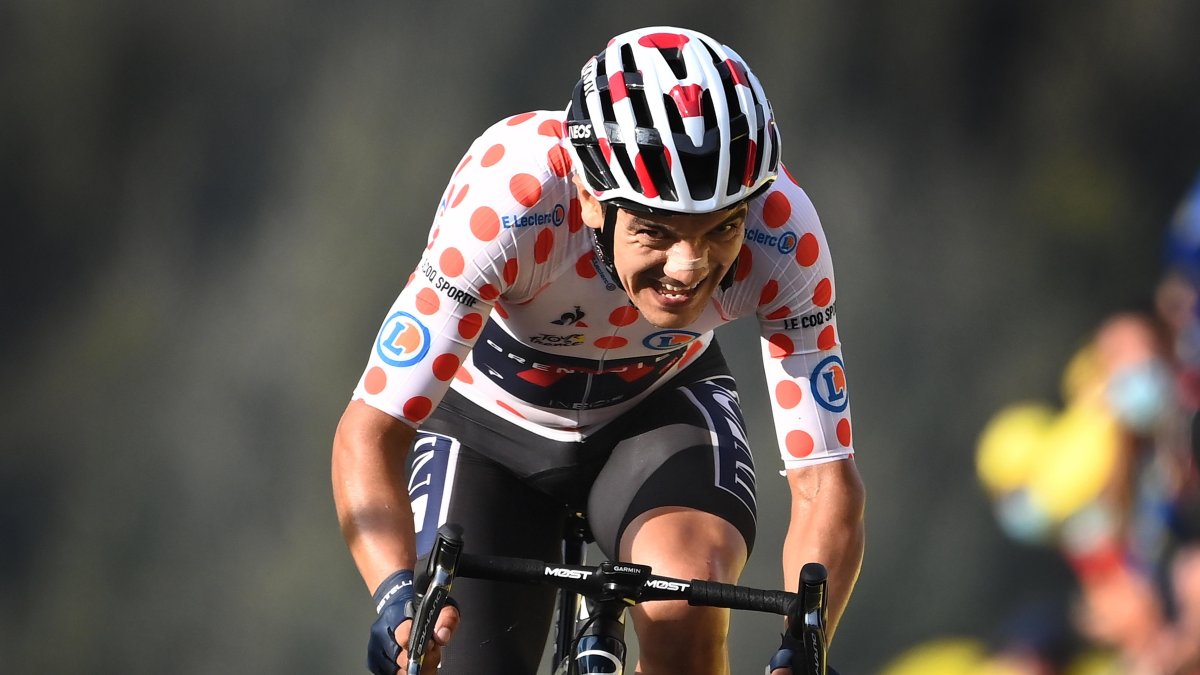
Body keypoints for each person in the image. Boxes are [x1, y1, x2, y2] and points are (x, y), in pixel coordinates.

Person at [331, 26, 866, 675]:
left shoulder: (783, 232)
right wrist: (394, 598)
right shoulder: (513, 199)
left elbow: (825, 481)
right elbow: (370, 431)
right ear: (589, 199)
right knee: (449, 651)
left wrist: (807, 644)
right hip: (486, 426)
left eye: (722, 227)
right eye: (655, 230)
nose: (689, 265)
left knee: (686, 605)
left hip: (660, 412)